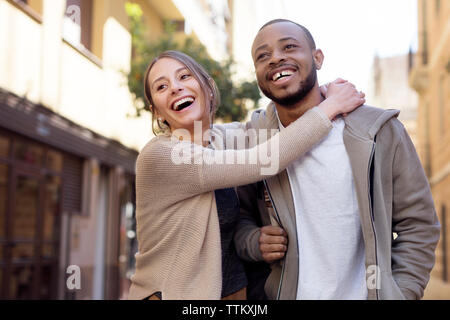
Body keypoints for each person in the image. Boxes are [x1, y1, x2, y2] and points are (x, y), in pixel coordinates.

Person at [127, 50, 365, 300]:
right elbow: (265, 159)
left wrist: (315, 92)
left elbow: (267, 126)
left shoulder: (220, 139)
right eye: (162, 86)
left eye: (184, 76)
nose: (175, 88)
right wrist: (330, 107)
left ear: (208, 88)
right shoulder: (161, 155)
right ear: (157, 112)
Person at [234, 19, 441, 300]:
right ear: (257, 73)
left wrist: (400, 294)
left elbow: (418, 224)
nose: (276, 57)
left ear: (317, 58)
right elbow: (239, 220)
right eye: (263, 55)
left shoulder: (379, 131)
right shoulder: (252, 141)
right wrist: (253, 241)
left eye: (289, 46)